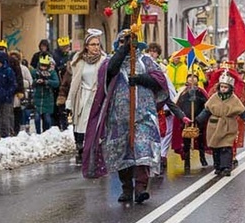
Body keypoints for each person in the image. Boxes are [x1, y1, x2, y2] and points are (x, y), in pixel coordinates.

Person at [82, 30, 168, 203]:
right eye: (123, 42)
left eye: (131, 42)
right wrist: (123, 49)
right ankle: (127, 188)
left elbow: (159, 81)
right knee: (123, 153)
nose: (128, 45)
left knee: (142, 150)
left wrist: (142, 79)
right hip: (118, 118)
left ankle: (141, 187)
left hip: (143, 116)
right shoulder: (110, 63)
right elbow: (109, 72)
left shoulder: (146, 61)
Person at [196, 72, 245, 176]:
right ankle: (217, 166)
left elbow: (242, 113)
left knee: (226, 147)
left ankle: (226, 167)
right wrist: (199, 120)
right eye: (221, 86)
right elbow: (206, 110)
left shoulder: (234, 99)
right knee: (215, 147)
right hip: (214, 125)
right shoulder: (214, 97)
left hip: (228, 125)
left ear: (230, 88)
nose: (223, 89)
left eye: (225, 87)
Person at [65, 29, 108, 162]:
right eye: (93, 44)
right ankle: (81, 148)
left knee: (95, 124)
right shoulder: (79, 61)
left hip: (97, 96)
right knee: (80, 124)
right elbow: (75, 83)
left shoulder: (104, 61)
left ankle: (94, 149)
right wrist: (69, 102)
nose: (96, 47)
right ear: (86, 46)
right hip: (82, 96)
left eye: (97, 44)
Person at [171, 73, 209, 174]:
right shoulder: (182, 92)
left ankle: (202, 157)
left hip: (198, 119)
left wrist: (198, 98)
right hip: (186, 119)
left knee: (200, 139)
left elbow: (207, 103)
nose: (192, 80)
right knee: (186, 141)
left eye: (194, 78)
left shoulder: (201, 91)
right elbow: (177, 104)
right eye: (190, 78)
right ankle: (187, 161)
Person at [0, 51, 17, 139]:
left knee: (6, 118)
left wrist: (7, 93)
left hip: (6, 99)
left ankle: (6, 135)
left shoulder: (8, 71)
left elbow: (13, 84)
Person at [31, 56, 59, 134]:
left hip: (47, 98)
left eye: (45, 66)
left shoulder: (52, 72)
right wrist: (36, 81)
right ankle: (38, 133)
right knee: (36, 118)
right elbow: (30, 81)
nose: (43, 68)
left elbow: (56, 83)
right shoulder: (34, 72)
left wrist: (47, 82)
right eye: (42, 65)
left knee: (47, 118)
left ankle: (46, 133)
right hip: (37, 97)